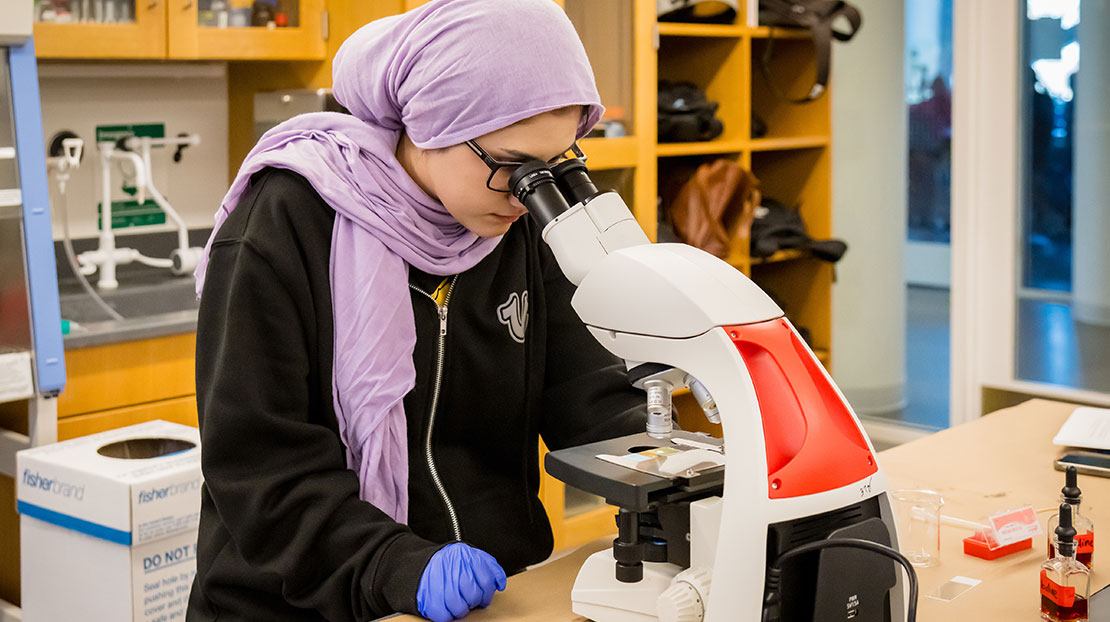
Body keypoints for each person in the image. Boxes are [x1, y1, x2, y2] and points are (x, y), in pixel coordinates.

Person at [185, 1, 648, 621]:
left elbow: (588, 394)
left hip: (481, 598)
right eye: (511, 167)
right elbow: (259, 468)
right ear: (431, 124)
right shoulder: (283, 224)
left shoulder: (518, 225)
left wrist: (664, 475)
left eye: (553, 165)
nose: (524, 196)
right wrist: (396, 565)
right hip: (302, 600)